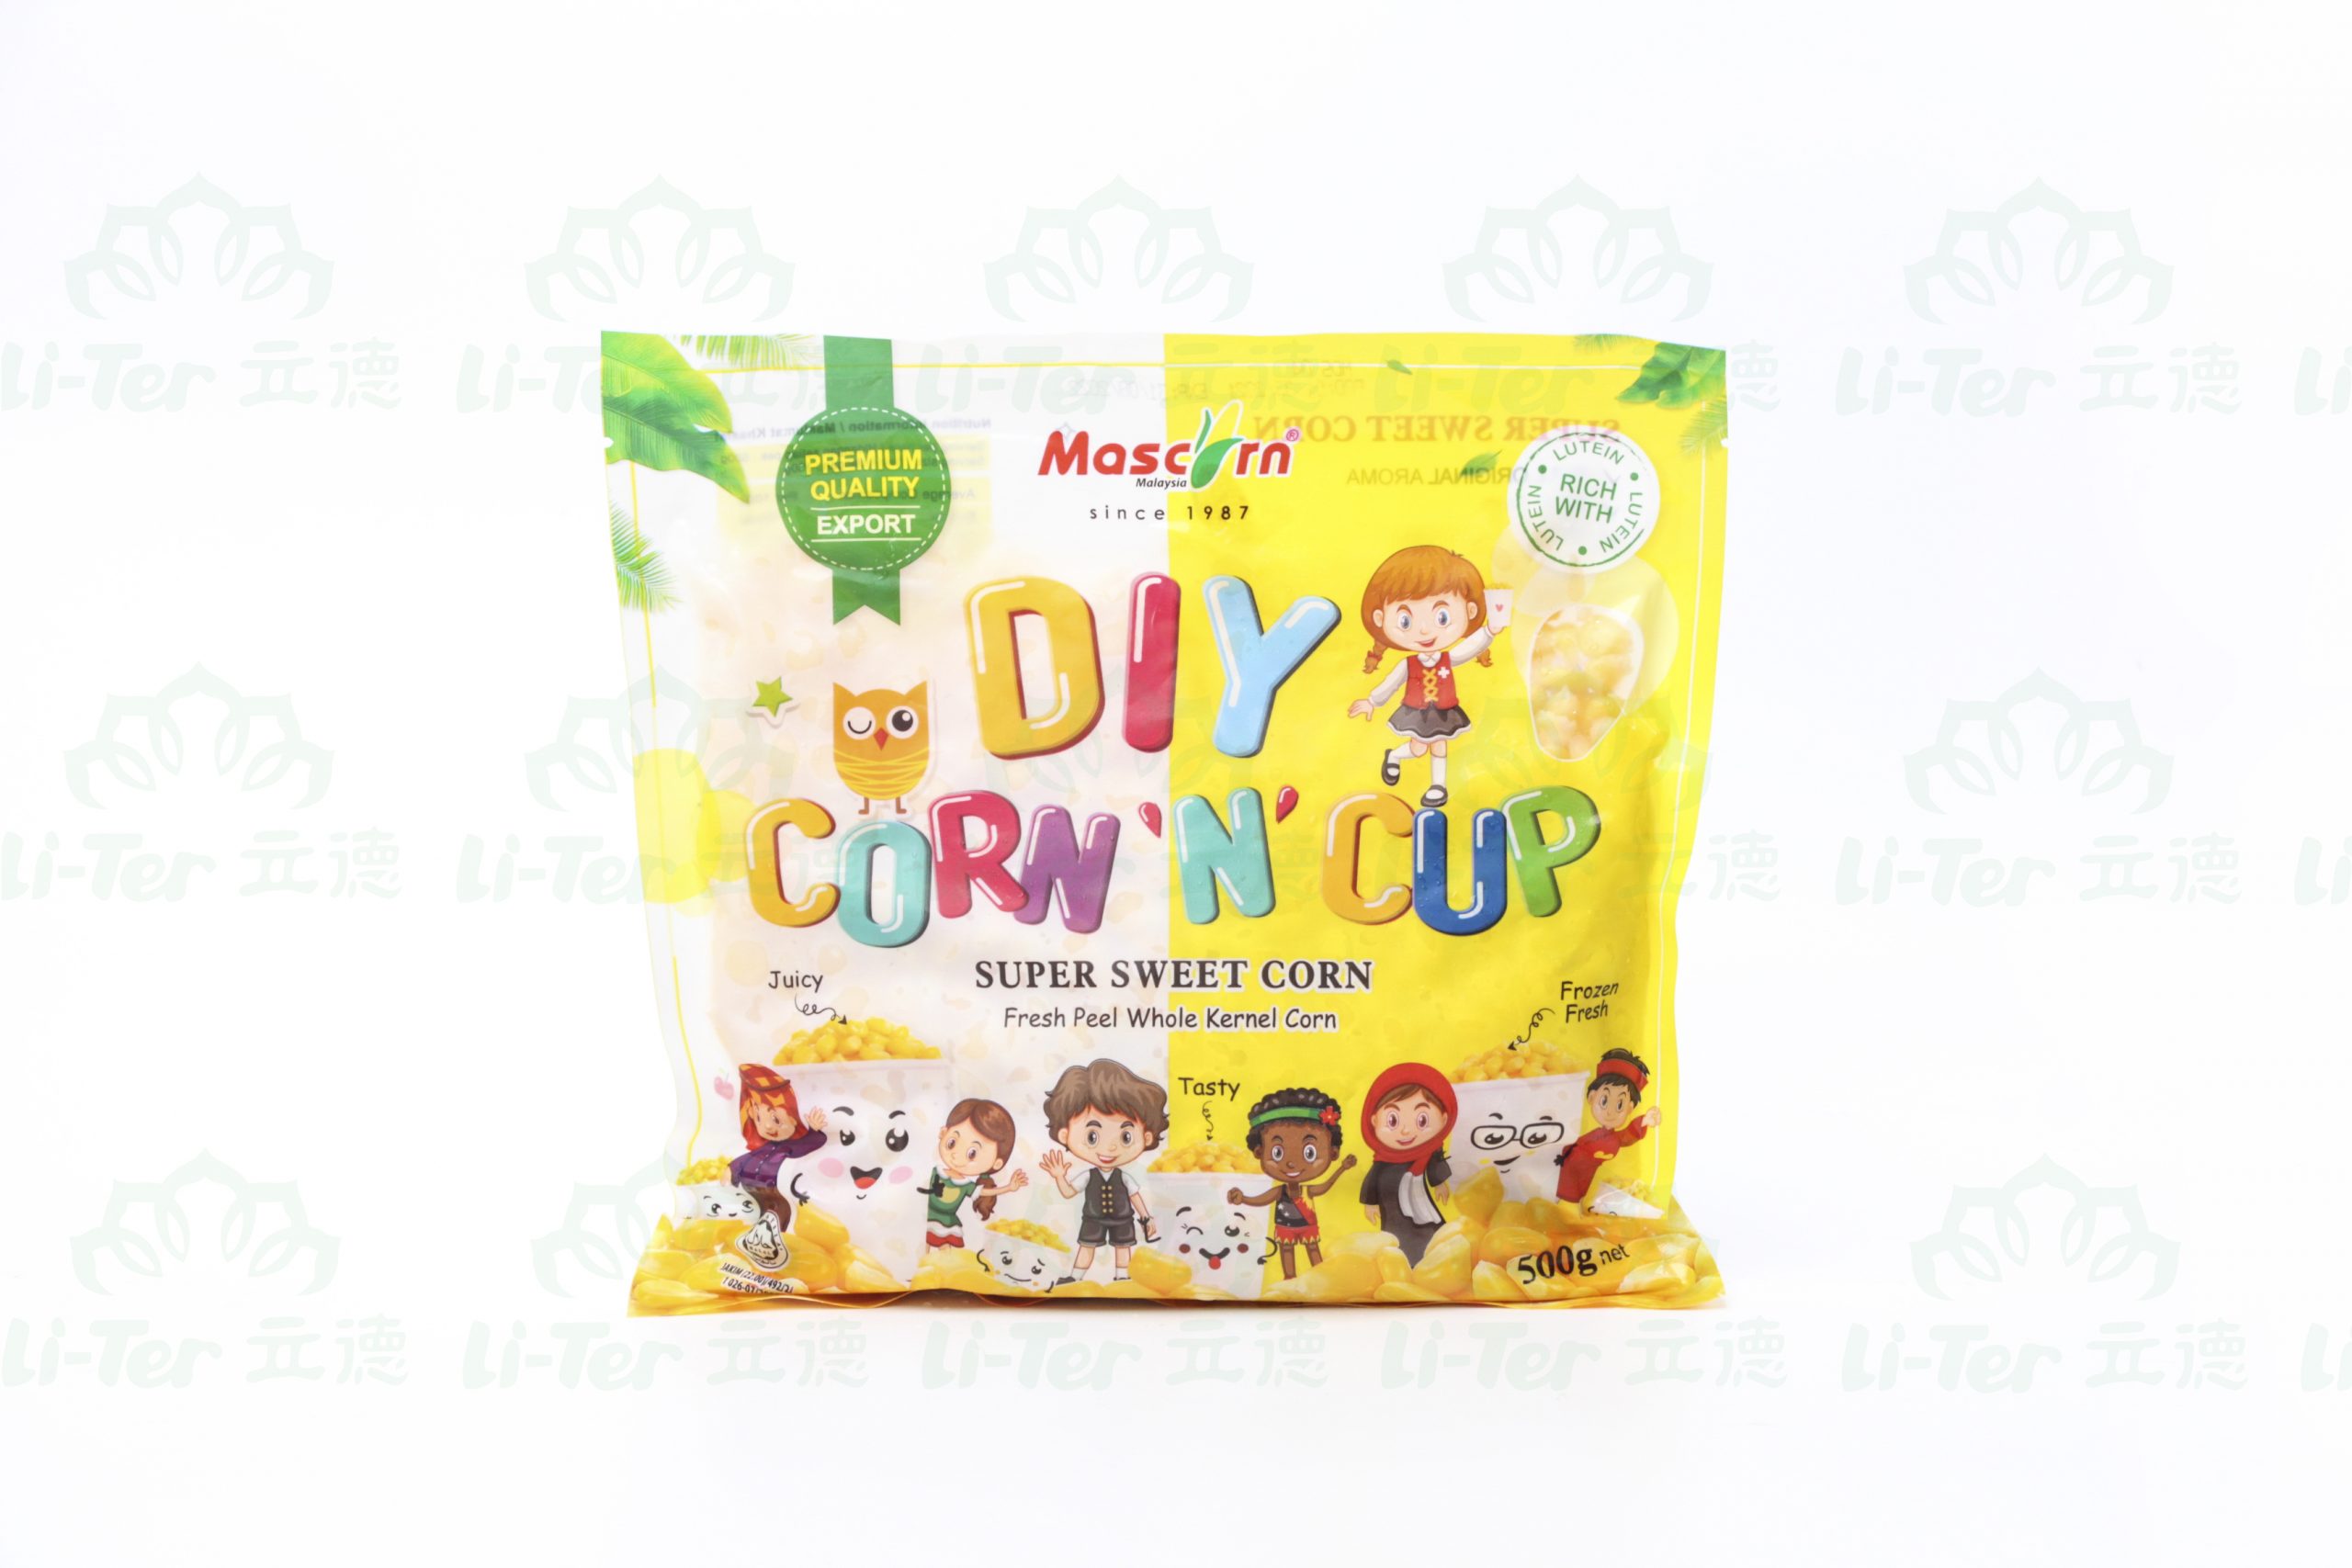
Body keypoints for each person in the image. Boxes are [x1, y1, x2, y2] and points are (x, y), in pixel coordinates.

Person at [1348, 545, 1504, 807]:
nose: (1423, 631)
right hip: (1417, 712)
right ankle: (1394, 757)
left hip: (1443, 710)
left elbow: (1468, 649)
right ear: (1380, 618)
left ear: (1470, 612)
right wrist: (1372, 701)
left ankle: (1438, 786)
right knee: (1418, 748)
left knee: (1439, 745)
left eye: (1442, 617)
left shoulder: (1447, 659)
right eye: (1405, 621)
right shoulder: (1409, 664)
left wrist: (1490, 631)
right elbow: (1391, 683)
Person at [1037, 1058, 1169, 1284]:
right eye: (1092, 1137)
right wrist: (1059, 1176)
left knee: (1123, 1247)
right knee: (1086, 1246)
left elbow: (1135, 1196)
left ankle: (1122, 1277)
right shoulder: (1088, 1176)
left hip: (1122, 1219)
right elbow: (1068, 1192)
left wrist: (1146, 1217)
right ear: (1065, 1135)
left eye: (1126, 1137)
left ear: (1146, 1138)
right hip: (1093, 1218)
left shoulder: (1123, 1177)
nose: (1110, 1148)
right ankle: (1075, 1278)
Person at [1228, 1088, 1357, 1279]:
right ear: (1259, 1152)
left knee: (1312, 1248)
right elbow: (1263, 1199)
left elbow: (1325, 1186)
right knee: (1286, 1250)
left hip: (1307, 1225)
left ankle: (1320, 1275)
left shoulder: (1306, 1191)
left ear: (1333, 1153)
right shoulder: (1280, 1191)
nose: (1291, 1163)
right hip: (1285, 1227)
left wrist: (1342, 1169)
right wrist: (1244, 1199)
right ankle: (1290, 1277)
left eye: (1309, 1153)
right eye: (1277, 1153)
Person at [1356, 1062, 1457, 1264]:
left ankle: (1438, 1259)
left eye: (1422, 1120)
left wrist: (1439, 1183)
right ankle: (1403, 1263)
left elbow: (1434, 1165)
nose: (1406, 1131)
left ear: (1444, 1119)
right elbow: (1373, 1178)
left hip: (1423, 1207)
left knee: (1431, 1229)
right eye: (1393, 1120)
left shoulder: (1428, 1153)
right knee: (1395, 1238)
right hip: (1391, 1209)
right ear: (1374, 1121)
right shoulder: (1383, 1161)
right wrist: (1370, 1203)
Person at [921, 1098, 1027, 1249]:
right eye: (952, 1143)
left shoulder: (965, 1185)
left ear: (996, 1163)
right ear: (943, 1133)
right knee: (922, 1248)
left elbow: (984, 1192)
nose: (956, 1155)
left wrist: (1009, 1187)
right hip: (925, 1218)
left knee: (944, 1255)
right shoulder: (935, 1171)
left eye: (972, 1153)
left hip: (946, 1225)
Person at [1557, 1049, 1660, 1205]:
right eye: (1604, 1101)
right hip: (1568, 1173)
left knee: (1578, 1199)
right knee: (1565, 1198)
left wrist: (1644, 1121)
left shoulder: (1614, 1138)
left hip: (1588, 1181)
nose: (1610, 1112)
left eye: (1619, 1105)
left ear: (1630, 1108)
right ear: (1592, 1097)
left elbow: (1626, 1136)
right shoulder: (1586, 1133)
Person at [729, 1064, 828, 1190]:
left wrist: (814, 1131)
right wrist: (732, 1168)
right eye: (759, 1118)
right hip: (754, 1192)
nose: (768, 1126)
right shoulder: (763, 1148)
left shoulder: (793, 1146)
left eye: (776, 1119)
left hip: (779, 1191)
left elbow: (808, 1145)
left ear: (793, 1118)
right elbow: (746, 1159)